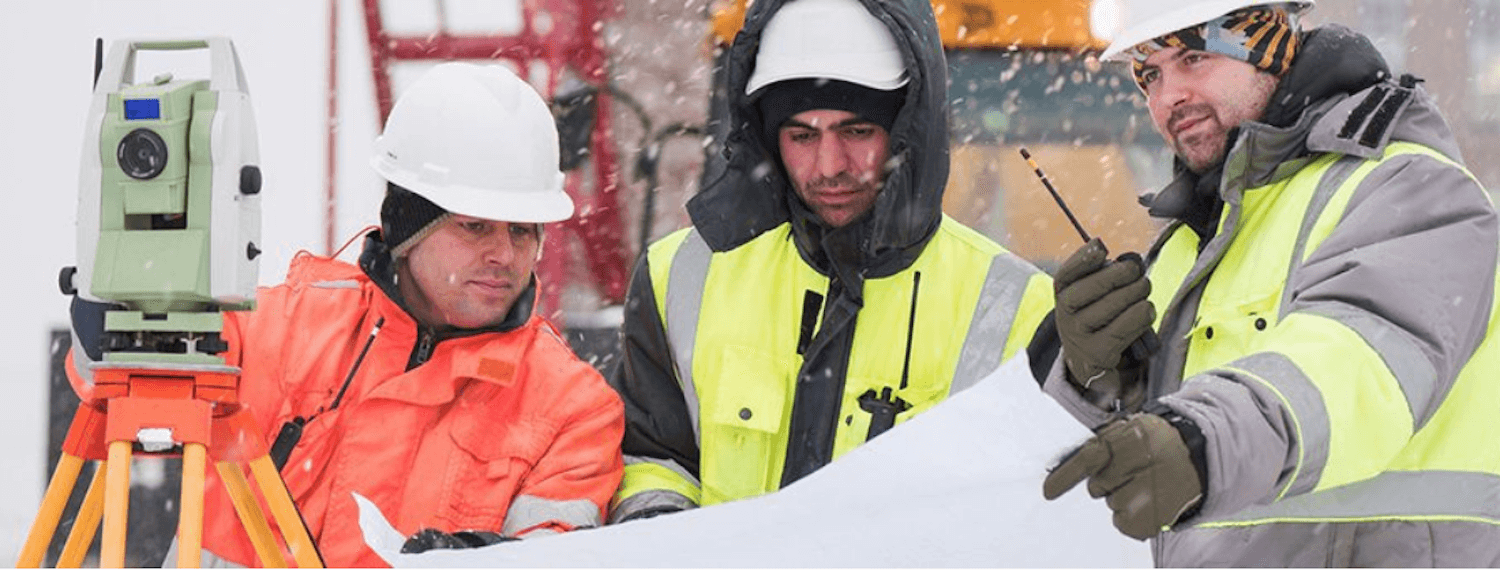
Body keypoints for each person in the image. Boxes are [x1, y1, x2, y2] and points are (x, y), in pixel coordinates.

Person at [67, 62, 625, 567]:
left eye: (522, 230)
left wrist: (487, 560)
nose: (504, 255)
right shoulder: (290, 327)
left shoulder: (573, 407)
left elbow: (560, 548)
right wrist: (116, 314)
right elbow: (122, 381)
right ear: (408, 226)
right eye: (474, 226)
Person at [1035, 1, 1500, 565]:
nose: (1166, 98)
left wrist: (1199, 441)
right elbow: (1146, 459)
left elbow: (1351, 368)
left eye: (1194, 57)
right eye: (1150, 74)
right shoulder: (1190, 243)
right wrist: (1106, 380)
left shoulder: (1413, 190)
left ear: (1268, 46)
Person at [606, 0, 1054, 523]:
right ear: (771, 138)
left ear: (907, 132)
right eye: (802, 136)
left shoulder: (1019, 306)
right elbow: (651, 456)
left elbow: (1032, 509)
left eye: (857, 131)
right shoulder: (678, 277)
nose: (829, 166)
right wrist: (659, 529)